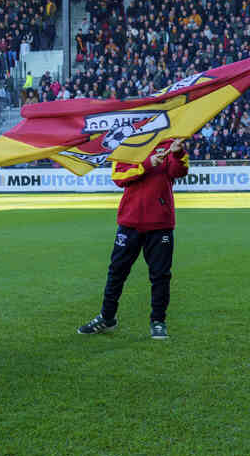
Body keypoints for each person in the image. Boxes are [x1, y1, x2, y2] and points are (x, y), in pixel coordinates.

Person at [78, 138, 189, 339]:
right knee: (117, 272)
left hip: (160, 223)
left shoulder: (172, 143)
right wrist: (147, 164)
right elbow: (118, 176)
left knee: (160, 275)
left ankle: (158, 321)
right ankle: (107, 317)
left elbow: (179, 172)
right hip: (130, 222)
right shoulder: (126, 146)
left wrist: (178, 153)